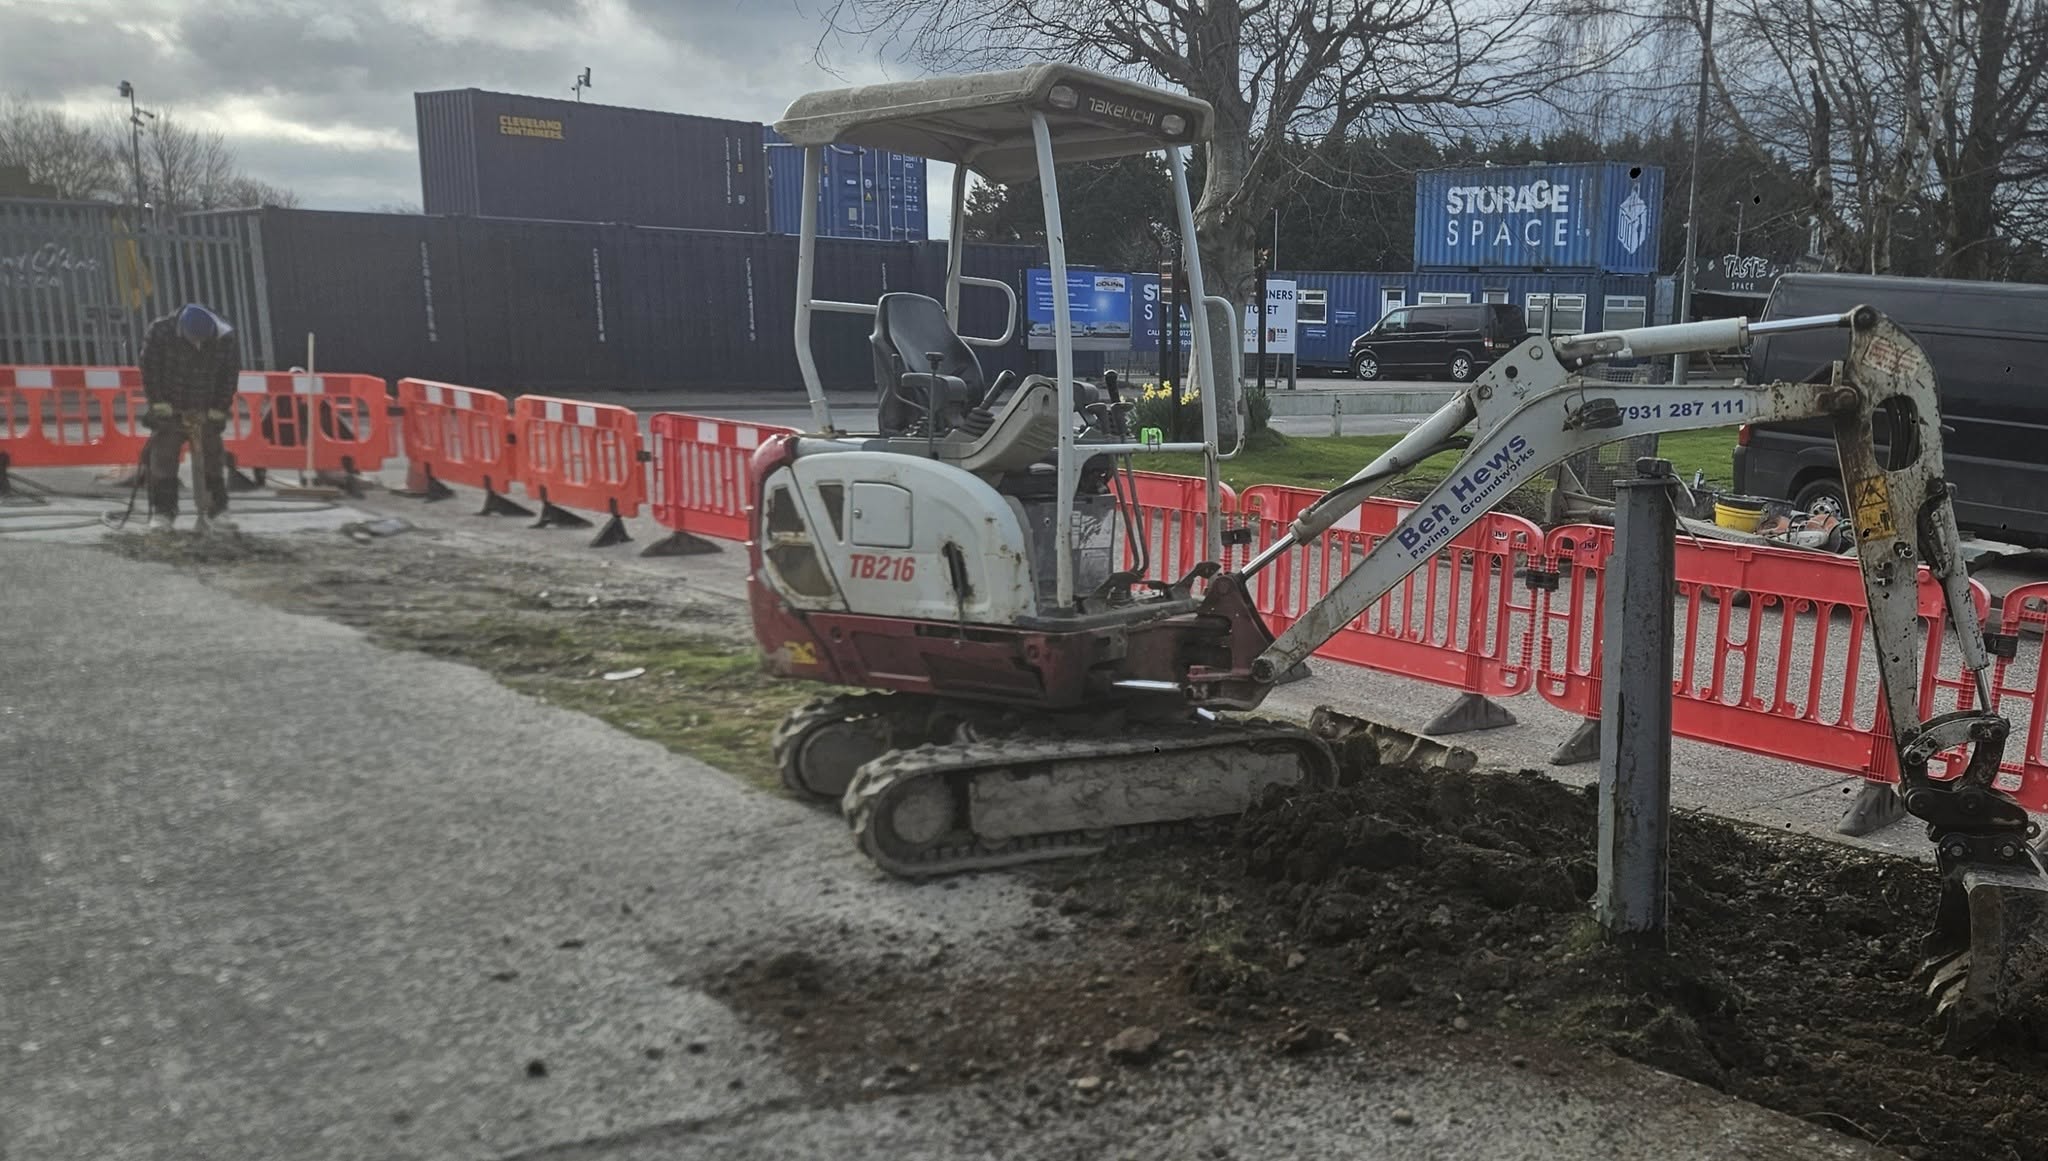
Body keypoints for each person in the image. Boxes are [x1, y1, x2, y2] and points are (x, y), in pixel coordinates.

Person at [140, 303, 240, 531]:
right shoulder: (160, 331)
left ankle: (217, 510)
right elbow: (149, 369)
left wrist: (219, 407)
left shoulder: (225, 338)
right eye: (193, 341)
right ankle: (163, 512)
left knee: (211, 457)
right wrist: (157, 402)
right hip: (171, 405)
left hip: (205, 406)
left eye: (203, 342)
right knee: (163, 458)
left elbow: (229, 375)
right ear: (181, 329)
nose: (198, 346)